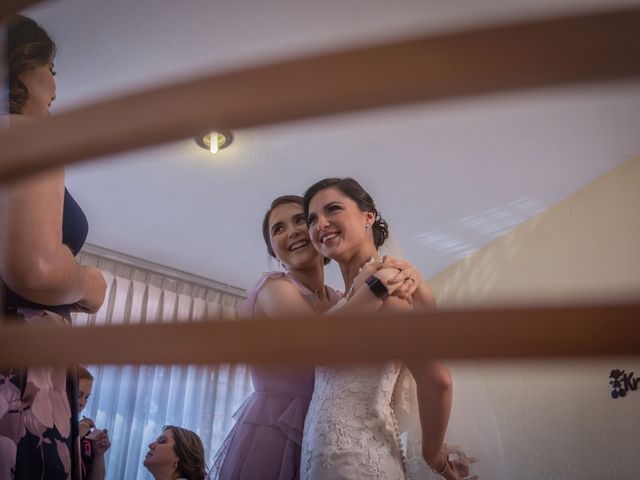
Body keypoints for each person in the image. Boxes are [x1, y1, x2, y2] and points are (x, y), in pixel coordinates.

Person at [210, 195, 422, 479]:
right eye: (278, 229)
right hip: (275, 433)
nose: (293, 231)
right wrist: (374, 287)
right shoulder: (274, 289)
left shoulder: (340, 301)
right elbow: (320, 342)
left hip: (328, 434)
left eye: (301, 220)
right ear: (273, 251)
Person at [300, 177, 471, 480]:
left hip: (361, 463)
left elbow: (437, 380)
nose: (320, 224)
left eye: (333, 209)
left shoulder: (391, 290)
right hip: (320, 461)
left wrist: (434, 456)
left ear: (369, 216)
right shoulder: (343, 303)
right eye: (312, 219)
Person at [0, 15, 107, 479]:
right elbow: (37, 269)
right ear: (22, 67)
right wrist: (91, 285)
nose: (55, 86)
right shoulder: (25, 135)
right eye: (52, 70)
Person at [77, 366, 111, 480]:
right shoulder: (42, 427)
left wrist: (99, 454)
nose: (82, 403)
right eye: (78, 395)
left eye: (87, 397)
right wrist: (80, 429)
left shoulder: (88, 437)